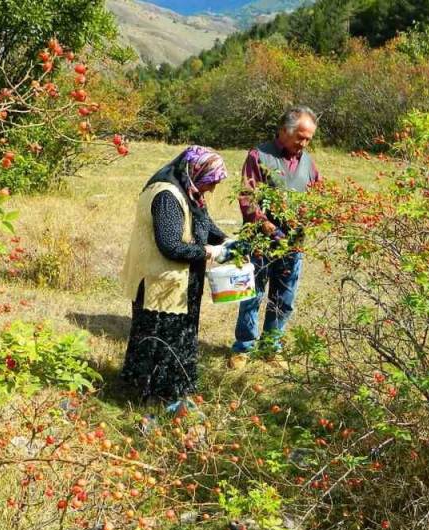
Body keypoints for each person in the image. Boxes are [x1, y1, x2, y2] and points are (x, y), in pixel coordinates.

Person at [120, 146, 229, 408]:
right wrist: (210, 252)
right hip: (159, 281)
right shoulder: (167, 195)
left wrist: (227, 241)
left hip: (179, 280)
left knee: (180, 337)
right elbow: (170, 245)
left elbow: (205, 224)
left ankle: (173, 392)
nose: (211, 189)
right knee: (162, 339)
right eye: (209, 182)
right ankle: (154, 398)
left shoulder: (189, 190)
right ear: (196, 170)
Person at [228, 106, 320, 370]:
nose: (303, 143)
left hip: (293, 244)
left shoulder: (308, 163)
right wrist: (266, 225)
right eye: (300, 137)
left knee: (284, 298)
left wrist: (315, 213)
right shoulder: (259, 156)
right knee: (252, 296)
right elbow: (247, 197)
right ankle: (243, 347)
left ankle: (271, 348)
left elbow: (317, 195)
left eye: (308, 139)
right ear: (283, 131)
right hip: (260, 241)